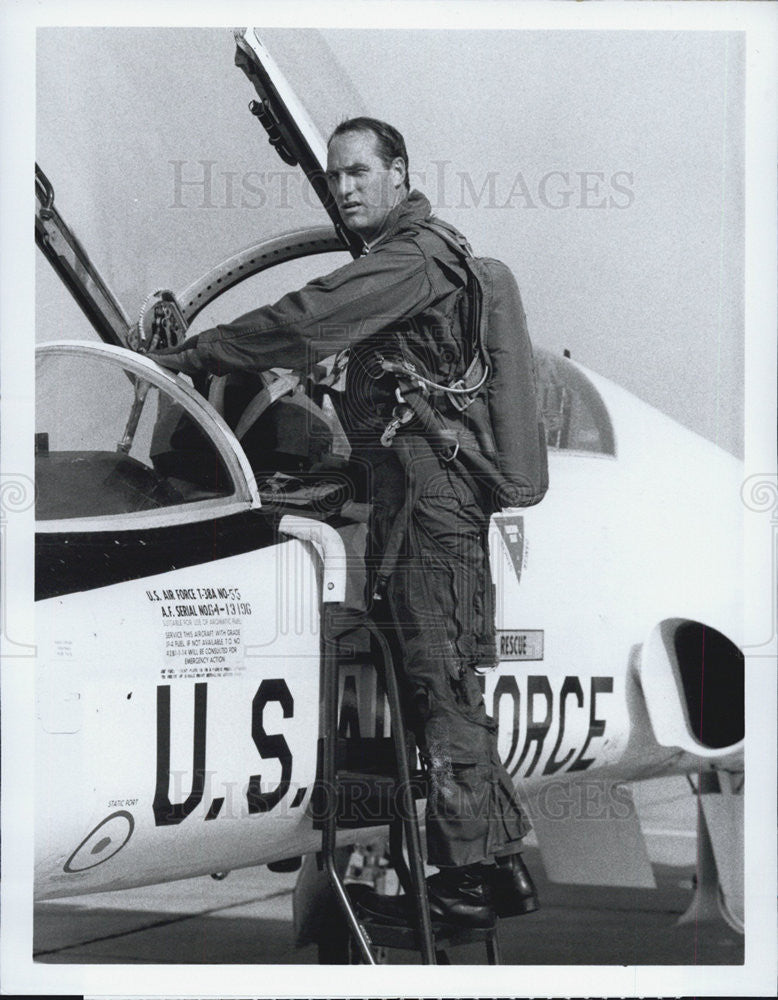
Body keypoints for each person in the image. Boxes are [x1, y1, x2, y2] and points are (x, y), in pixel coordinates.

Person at [152, 117, 537, 929]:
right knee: (444, 681)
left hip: (432, 502)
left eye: (359, 171)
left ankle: (465, 878)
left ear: (399, 172)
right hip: (412, 495)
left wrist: (198, 354)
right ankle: (496, 866)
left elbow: (302, 320)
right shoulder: (417, 264)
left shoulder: (413, 257)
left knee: (439, 680)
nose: (345, 186)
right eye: (335, 176)